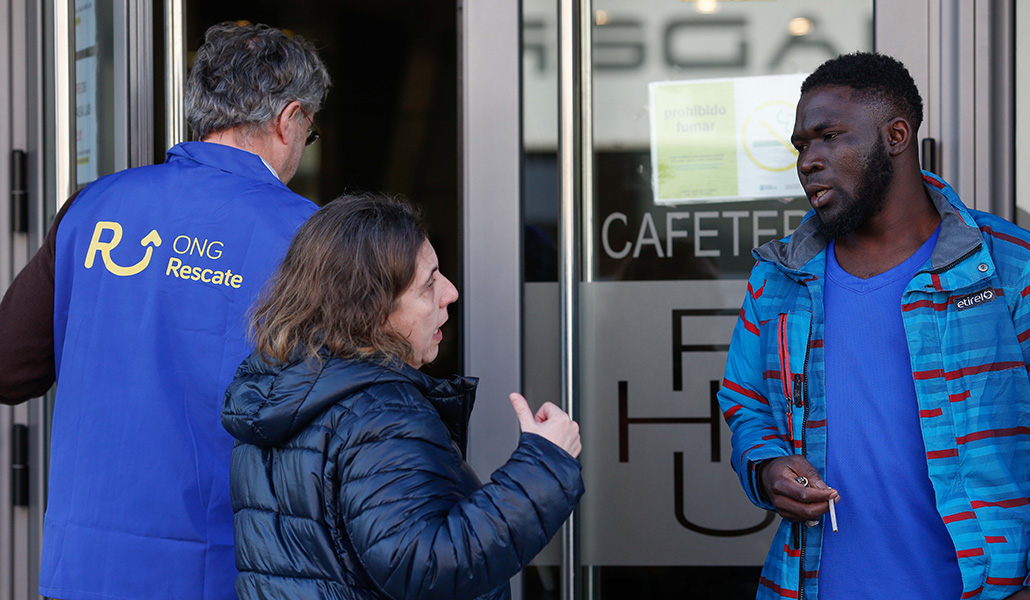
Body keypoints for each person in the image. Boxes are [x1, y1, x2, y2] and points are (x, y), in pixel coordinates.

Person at [0, 22, 329, 600]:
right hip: (225, 573)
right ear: (289, 119)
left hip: (82, 570)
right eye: (310, 130)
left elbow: (9, 367)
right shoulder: (312, 236)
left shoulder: (94, 205)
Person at [718, 52, 1030, 600]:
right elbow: (744, 403)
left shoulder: (1009, 267)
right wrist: (768, 467)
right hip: (809, 586)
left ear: (896, 135)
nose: (808, 160)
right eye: (801, 146)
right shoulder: (779, 279)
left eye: (829, 136)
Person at [221, 193, 584, 600]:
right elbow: (425, 568)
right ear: (370, 310)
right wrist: (544, 465)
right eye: (428, 285)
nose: (450, 292)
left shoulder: (283, 388)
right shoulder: (379, 413)